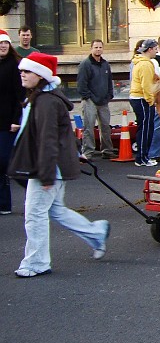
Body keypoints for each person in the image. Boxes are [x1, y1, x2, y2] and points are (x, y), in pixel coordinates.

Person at [10, 51, 110, 278]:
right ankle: (96, 233)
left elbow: (48, 140)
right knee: (56, 211)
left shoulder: (44, 102)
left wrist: (46, 175)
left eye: (27, 71)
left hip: (47, 168)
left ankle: (37, 262)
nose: (22, 74)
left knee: (35, 215)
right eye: (22, 71)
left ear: (40, 75)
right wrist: (75, 152)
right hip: (51, 166)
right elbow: (60, 132)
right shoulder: (44, 99)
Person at [76, 40, 116, 160]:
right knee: (89, 127)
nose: (98, 49)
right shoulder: (85, 64)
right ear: (91, 48)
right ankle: (88, 152)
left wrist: (109, 95)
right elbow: (81, 83)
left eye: (100, 47)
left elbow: (109, 80)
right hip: (90, 101)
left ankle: (107, 150)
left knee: (105, 126)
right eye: (95, 47)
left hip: (104, 100)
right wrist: (88, 96)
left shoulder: (105, 64)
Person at [0, 30, 25, 215]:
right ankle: (4, 205)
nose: (2, 46)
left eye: (5, 43)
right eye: (0, 43)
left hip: (9, 123)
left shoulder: (15, 66)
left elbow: (20, 96)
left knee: (8, 163)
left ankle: (34, 184)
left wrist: (17, 119)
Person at [129, 39, 159, 166]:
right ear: (150, 49)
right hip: (141, 99)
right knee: (146, 128)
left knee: (145, 127)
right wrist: (151, 100)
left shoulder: (143, 63)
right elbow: (146, 86)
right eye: (155, 48)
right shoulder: (146, 64)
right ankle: (142, 158)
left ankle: (143, 156)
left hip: (139, 98)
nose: (157, 51)